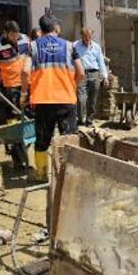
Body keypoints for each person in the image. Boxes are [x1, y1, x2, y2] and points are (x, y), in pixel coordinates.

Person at [23, 15, 84, 182]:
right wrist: (72, 87)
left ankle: (41, 175)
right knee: (68, 139)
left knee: (42, 141)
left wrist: (23, 93)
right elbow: (81, 72)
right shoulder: (70, 46)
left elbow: (25, 72)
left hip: (43, 101)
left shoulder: (33, 46)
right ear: (56, 27)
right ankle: (69, 177)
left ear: (41, 30)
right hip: (66, 99)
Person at [0, 20, 30, 166]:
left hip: (27, 85)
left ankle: (25, 149)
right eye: (12, 35)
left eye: (16, 35)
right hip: (11, 88)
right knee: (14, 122)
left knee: (28, 119)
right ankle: (16, 155)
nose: (15, 38)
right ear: (6, 33)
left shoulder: (26, 39)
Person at [73, 28, 108, 126]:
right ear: (82, 36)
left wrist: (105, 77)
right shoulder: (75, 45)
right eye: (86, 36)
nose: (88, 39)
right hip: (81, 73)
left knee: (92, 99)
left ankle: (89, 120)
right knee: (81, 98)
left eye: (90, 37)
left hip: (94, 73)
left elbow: (101, 62)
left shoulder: (96, 47)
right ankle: (80, 119)